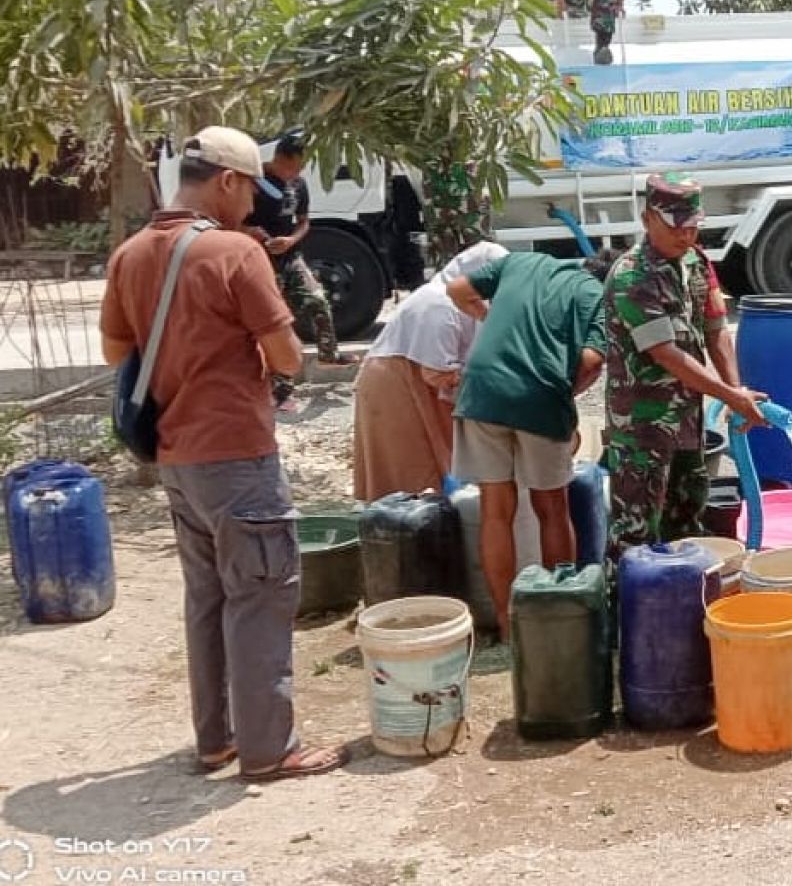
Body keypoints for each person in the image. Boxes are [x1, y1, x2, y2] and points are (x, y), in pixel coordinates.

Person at [99, 126, 348, 781]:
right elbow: (289, 355)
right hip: (237, 453)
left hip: (177, 458)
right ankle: (270, 749)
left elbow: (116, 356)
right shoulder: (236, 253)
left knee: (207, 598)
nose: (254, 208)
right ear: (228, 181)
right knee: (263, 594)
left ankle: (216, 739)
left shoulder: (129, 254)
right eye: (250, 193)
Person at [446, 249, 614, 638]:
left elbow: (457, 289)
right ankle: (557, 617)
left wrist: (488, 318)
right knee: (551, 508)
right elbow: (591, 360)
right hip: (540, 395)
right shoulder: (596, 295)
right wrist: (561, 397)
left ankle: (508, 625)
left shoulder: (519, 262)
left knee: (495, 510)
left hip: (481, 389)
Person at [604, 173, 767, 559]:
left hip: (687, 425)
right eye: (676, 227)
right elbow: (667, 354)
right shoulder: (632, 276)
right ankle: (626, 615)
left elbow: (716, 330)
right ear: (647, 219)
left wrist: (735, 392)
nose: (686, 236)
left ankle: (682, 613)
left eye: (693, 227)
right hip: (642, 431)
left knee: (687, 525)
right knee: (636, 537)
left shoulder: (697, 263)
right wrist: (731, 396)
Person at [353, 241, 509, 502]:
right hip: (397, 384)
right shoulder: (439, 302)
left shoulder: (466, 303)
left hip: (418, 381)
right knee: (410, 472)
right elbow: (438, 372)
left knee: (440, 468)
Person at [244, 133, 357, 410]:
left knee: (317, 299)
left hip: (290, 256)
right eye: (292, 166)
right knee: (278, 322)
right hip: (259, 259)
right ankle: (281, 391)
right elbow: (230, 220)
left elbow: (304, 222)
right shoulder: (253, 182)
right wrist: (249, 232)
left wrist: (292, 240)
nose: (295, 172)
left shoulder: (297, 184)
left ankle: (328, 355)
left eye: (300, 168)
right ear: (279, 158)